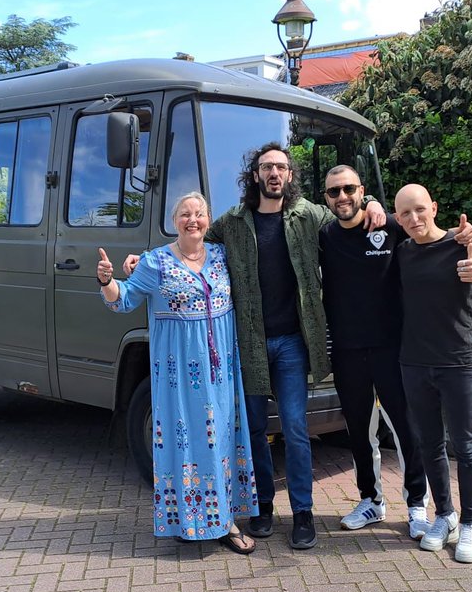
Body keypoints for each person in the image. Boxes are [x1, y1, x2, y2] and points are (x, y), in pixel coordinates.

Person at [203, 144, 386, 549]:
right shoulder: (232, 222)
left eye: (282, 167)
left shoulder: (308, 214)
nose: (274, 173)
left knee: (296, 428)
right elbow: (193, 241)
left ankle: (302, 513)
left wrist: (371, 202)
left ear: (290, 176)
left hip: (292, 343)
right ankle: (263, 507)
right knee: (253, 431)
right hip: (248, 342)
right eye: (267, 166)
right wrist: (146, 261)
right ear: (255, 175)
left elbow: (347, 208)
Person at [98, 192, 257, 555]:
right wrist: (106, 280)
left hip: (220, 375)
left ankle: (224, 519)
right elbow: (122, 300)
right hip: (179, 377)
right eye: (185, 214)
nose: (193, 220)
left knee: (219, 442)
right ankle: (189, 522)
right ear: (175, 221)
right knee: (186, 443)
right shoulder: (155, 263)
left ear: (208, 221)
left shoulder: (220, 255)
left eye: (200, 214)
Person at [393, 183, 472, 563]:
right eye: (406, 214)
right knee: (429, 445)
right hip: (413, 363)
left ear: (433, 207)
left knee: (465, 447)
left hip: (458, 362)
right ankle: (444, 516)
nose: (415, 219)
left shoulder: (462, 243)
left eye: (420, 210)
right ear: (398, 219)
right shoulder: (401, 253)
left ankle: (471, 524)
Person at [318, 165, 433, 539]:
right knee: (359, 433)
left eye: (349, 189)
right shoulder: (324, 237)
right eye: (334, 192)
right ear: (327, 199)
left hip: (392, 348)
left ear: (361, 190)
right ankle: (371, 500)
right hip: (348, 350)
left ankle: (417, 505)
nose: (342, 197)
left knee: (405, 428)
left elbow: (427, 235)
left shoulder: (389, 227)